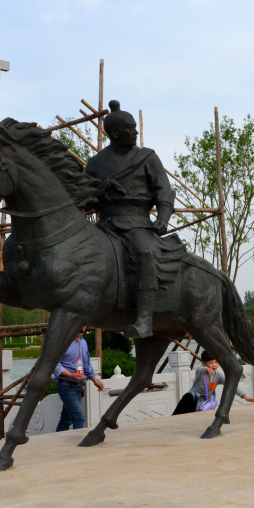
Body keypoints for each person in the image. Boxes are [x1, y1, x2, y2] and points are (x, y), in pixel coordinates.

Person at [85, 100, 177, 339]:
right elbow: (82, 199)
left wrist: (163, 218)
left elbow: (164, 191)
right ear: (114, 133)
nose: (136, 132)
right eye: (130, 128)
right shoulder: (95, 163)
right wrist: (100, 190)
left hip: (137, 223)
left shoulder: (147, 157)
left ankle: (145, 319)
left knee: (145, 251)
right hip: (105, 224)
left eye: (136, 127)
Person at [53, 328, 105, 432]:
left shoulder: (83, 342)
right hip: (66, 385)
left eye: (84, 325)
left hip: (79, 386)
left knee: (66, 420)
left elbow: (86, 365)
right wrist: (71, 375)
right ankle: (80, 444)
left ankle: (56, 444)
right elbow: (55, 364)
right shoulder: (63, 342)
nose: (81, 327)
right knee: (79, 418)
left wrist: (95, 380)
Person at [172, 351, 254, 415]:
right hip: (190, 400)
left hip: (204, 404)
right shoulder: (200, 373)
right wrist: (206, 369)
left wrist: (244, 396)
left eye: (216, 362)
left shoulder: (218, 375)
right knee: (175, 418)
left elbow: (231, 384)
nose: (214, 365)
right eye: (211, 362)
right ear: (203, 363)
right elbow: (199, 370)